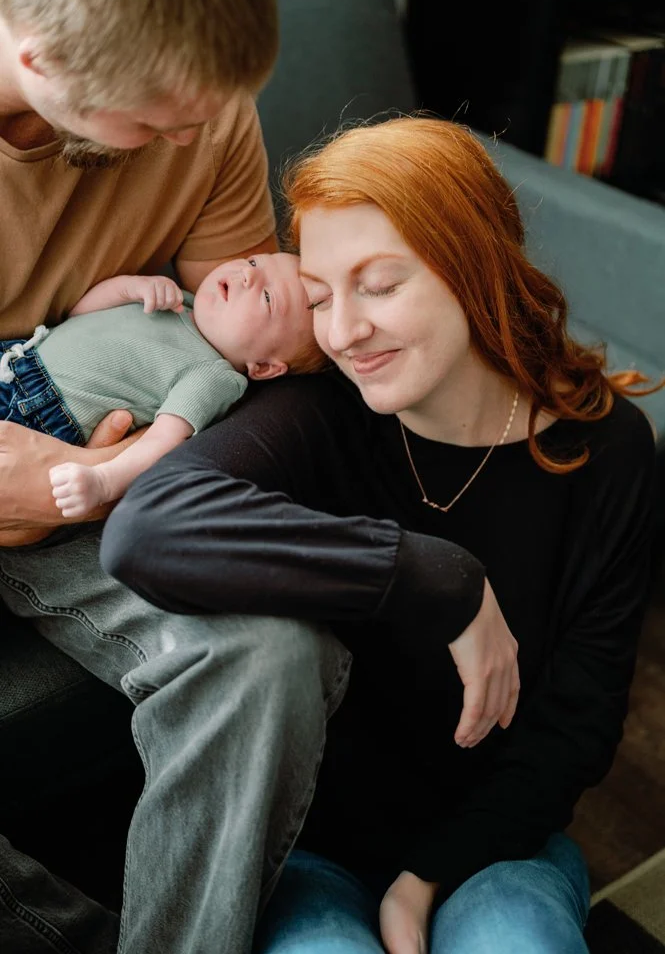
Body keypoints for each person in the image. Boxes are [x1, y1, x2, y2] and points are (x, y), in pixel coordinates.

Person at [0, 0, 517, 952]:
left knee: (275, 655)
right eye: (155, 124)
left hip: (104, 484)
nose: (190, 140)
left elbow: (268, 374)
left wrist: (128, 479)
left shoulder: (204, 109)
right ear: (42, 62)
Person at [100, 117, 658, 954]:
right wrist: (433, 577)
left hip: (498, 847)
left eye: (380, 286)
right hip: (315, 849)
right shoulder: (320, 409)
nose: (342, 332)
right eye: (320, 297)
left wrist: (424, 880)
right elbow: (146, 528)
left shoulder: (607, 449)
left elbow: (579, 723)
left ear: (475, 267)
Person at [0, 254, 321, 518]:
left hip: (35, 412)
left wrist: (103, 481)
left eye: (267, 297)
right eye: (254, 262)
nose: (248, 275)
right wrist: (129, 289)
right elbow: (79, 314)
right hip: (16, 358)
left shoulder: (213, 376)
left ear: (263, 367)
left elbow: (161, 441)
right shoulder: (181, 301)